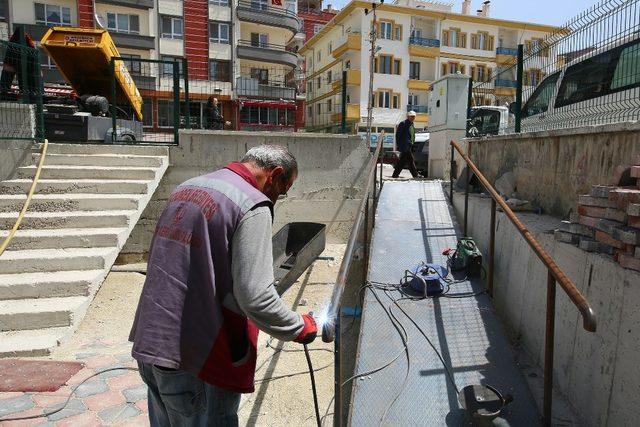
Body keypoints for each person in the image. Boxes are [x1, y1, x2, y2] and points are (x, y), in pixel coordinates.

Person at [129, 145, 317, 426]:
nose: (278, 198)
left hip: (152, 346)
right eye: (282, 190)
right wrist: (300, 326)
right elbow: (256, 298)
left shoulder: (187, 188)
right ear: (275, 174)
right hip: (197, 362)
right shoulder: (252, 204)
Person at [392, 111, 420, 179]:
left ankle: (395, 175)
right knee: (410, 160)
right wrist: (400, 146)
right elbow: (398, 136)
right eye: (411, 116)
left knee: (402, 161)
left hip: (409, 146)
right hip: (404, 146)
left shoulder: (412, 124)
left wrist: (412, 143)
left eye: (414, 116)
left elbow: (412, 135)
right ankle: (415, 175)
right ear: (408, 116)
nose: (413, 117)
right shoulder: (403, 124)